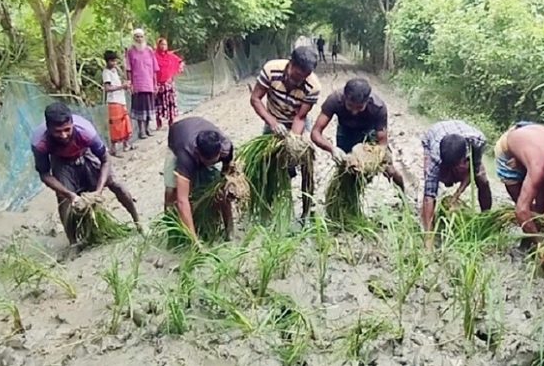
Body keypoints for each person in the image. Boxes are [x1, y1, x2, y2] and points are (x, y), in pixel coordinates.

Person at [31, 102, 140, 245]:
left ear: (72, 123)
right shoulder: (40, 142)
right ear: (48, 128)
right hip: (61, 162)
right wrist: (70, 195)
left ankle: (138, 222)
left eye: (67, 129)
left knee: (116, 184)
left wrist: (98, 192)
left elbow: (106, 160)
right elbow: (44, 174)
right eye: (57, 131)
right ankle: (73, 243)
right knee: (63, 200)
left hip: (85, 153)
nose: (63, 135)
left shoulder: (85, 131)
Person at [249, 46, 321, 218]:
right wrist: (273, 123)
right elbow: (255, 99)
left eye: (304, 77)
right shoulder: (271, 70)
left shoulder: (313, 86)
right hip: (273, 118)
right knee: (267, 163)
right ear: (290, 64)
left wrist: (293, 141)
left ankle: (307, 209)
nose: (299, 81)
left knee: (306, 163)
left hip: (297, 121)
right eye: (297, 75)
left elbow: (301, 117)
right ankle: (267, 204)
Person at [311, 78, 404, 190]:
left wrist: (370, 159)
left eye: (359, 107)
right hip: (346, 133)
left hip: (370, 134)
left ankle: (402, 195)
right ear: (344, 98)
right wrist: (332, 149)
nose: (354, 112)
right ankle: (347, 203)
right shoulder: (334, 100)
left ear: (367, 101)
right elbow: (315, 133)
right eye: (350, 106)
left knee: (390, 170)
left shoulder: (378, 107)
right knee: (347, 173)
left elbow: (382, 144)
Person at [421, 120, 492, 249]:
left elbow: (473, 170)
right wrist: (428, 240)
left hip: (462, 135)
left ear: (464, 158)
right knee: (433, 179)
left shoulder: (477, 143)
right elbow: (428, 196)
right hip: (433, 135)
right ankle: (428, 228)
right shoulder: (436, 155)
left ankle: (486, 218)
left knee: (483, 180)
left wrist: (456, 196)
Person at [164, 117, 235, 241]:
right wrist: (195, 242)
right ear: (197, 153)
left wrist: (225, 183)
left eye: (213, 161)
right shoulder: (185, 156)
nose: (209, 165)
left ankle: (230, 230)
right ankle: (172, 232)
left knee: (221, 190)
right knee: (171, 193)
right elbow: (182, 201)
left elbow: (226, 172)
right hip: (177, 139)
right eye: (206, 162)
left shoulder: (226, 148)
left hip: (196, 129)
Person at [125, 28, 159, 139]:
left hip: (149, 83)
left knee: (149, 107)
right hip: (138, 84)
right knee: (139, 109)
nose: (139, 39)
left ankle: (148, 128)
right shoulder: (130, 51)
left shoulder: (149, 50)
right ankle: (141, 131)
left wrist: (155, 84)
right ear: (134, 38)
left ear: (144, 37)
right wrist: (131, 84)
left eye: (141, 36)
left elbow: (154, 69)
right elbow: (128, 69)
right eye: (137, 37)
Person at [102, 50, 133, 156]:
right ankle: (113, 148)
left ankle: (126, 144)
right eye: (112, 61)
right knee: (115, 124)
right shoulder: (106, 72)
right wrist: (121, 87)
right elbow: (107, 88)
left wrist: (125, 85)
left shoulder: (115, 71)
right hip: (113, 101)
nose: (114, 63)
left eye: (115, 61)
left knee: (125, 121)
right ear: (107, 61)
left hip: (121, 99)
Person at [154, 37, 184, 130]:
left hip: (169, 83)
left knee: (171, 102)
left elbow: (180, 61)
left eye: (165, 44)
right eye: (161, 44)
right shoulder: (154, 56)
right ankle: (159, 123)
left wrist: (180, 67)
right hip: (158, 84)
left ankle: (171, 121)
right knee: (158, 104)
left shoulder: (170, 56)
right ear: (158, 45)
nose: (163, 46)